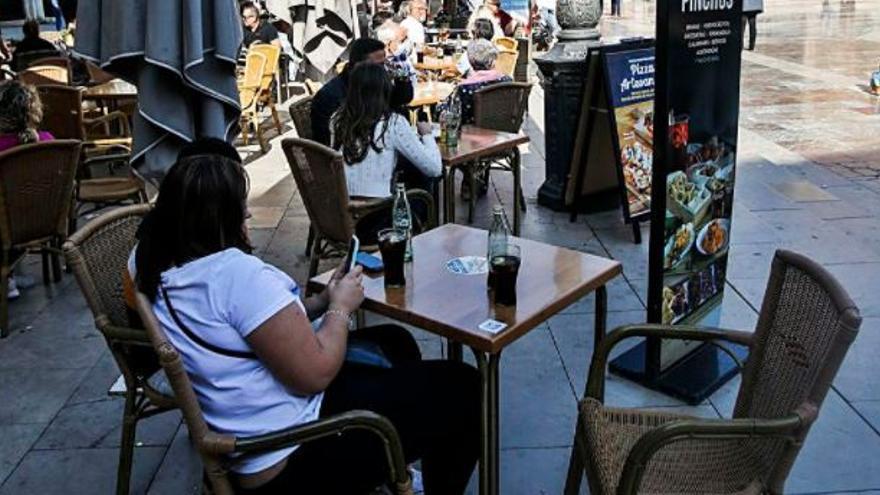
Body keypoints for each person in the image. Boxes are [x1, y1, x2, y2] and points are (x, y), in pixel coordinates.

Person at [134, 141, 479, 494]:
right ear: (217, 218)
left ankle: (397, 466)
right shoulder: (236, 276)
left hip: (263, 426)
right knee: (465, 388)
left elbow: (255, 328)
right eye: (240, 206)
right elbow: (315, 375)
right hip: (290, 459)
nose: (249, 215)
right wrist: (340, 308)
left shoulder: (166, 272)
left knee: (394, 341)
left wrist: (323, 299)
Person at [332, 63, 441, 243]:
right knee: (424, 181)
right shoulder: (392, 124)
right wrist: (426, 134)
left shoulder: (337, 120)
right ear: (385, 91)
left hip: (340, 217)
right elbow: (435, 168)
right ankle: (427, 243)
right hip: (377, 220)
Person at [0, 80, 54, 300]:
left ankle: (8, 276)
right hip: (41, 220)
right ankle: (10, 274)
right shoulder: (49, 142)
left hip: (3, 226)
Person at [311, 38, 413, 147]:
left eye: (384, 65)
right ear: (358, 65)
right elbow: (327, 141)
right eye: (377, 66)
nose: (382, 71)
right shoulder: (331, 95)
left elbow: (403, 98)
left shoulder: (374, 83)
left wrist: (402, 76)